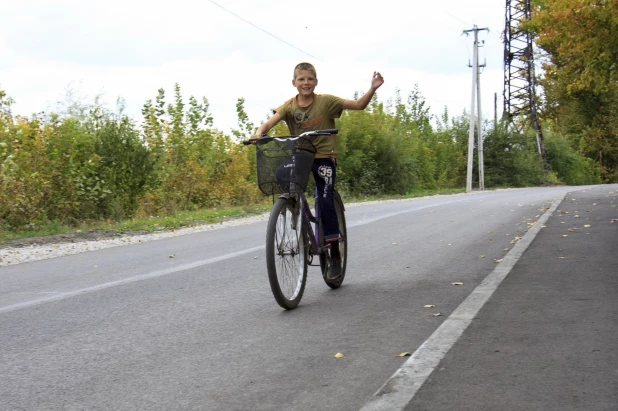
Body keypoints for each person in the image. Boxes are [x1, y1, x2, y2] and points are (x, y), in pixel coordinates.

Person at [251, 62, 384, 279]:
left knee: (325, 199)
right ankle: (294, 206)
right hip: (300, 156)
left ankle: (333, 253)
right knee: (281, 175)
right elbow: (268, 124)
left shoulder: (326, 102)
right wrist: (258, 134)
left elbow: (359, 105)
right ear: (294, 83)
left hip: (324, 158)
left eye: (310, 79)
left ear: (316, 82)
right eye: (301, 79)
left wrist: (372, 88)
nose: (306, 83)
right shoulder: (289, 107)